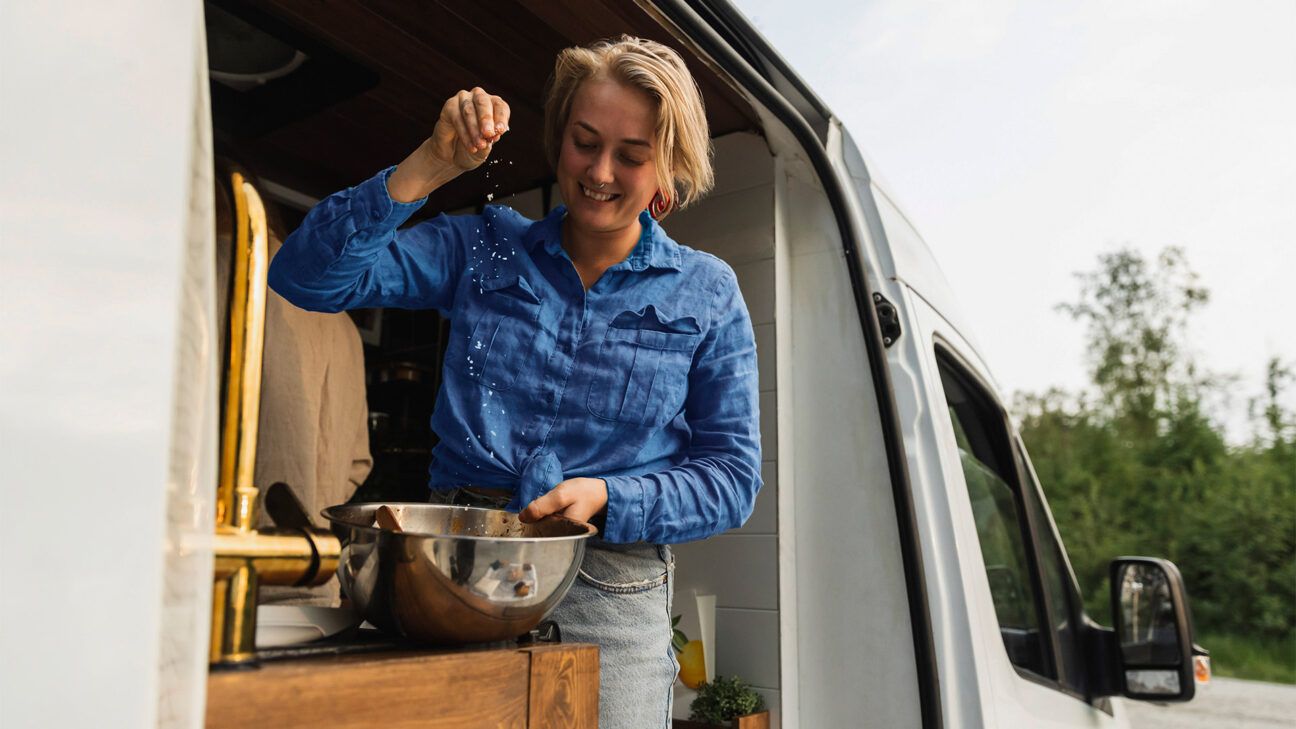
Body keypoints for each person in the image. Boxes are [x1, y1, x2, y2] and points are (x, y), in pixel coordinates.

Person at [268, 35, 762, 728]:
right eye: (584, 142)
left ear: (667, 173)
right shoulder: (483, 247)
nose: (599, 170)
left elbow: (731, 478)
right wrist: (430, 164)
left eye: (631, 154)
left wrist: (608, 496)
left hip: (611, 593)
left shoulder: (707, 293)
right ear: (558, 140)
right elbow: (304, 277)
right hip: (453, 575)